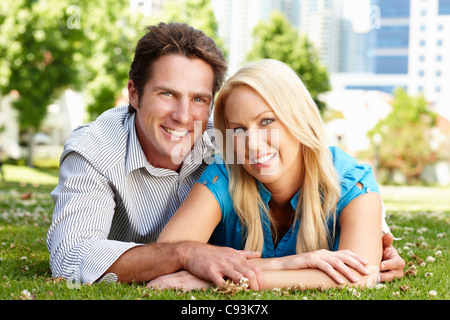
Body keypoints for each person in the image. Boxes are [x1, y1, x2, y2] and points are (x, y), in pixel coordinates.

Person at [47, 22, 403, 289]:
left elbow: (350, 202)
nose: (184, 116)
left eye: (199, 99)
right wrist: (186, 255)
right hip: (136, 261)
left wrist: (378, 243)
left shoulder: (226, 138)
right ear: (134, 94)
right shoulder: (94, 151)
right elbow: (71, 259)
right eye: (167, 94)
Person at [151, 59, 403, 291]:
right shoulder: (224, 176)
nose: (253, 143)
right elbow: (166, 257)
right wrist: (288, 265)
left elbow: (361, 276)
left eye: (266, 121)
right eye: (238, 129)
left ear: (299, 119)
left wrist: (219, 279)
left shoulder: (350, 181)